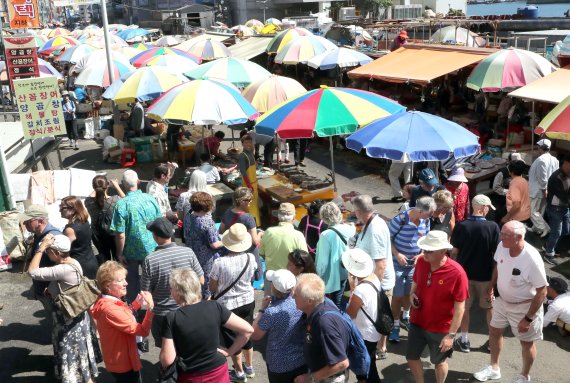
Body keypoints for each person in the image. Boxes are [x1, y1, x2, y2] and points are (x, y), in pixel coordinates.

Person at [473, 221, 547, 383]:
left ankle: (524, 376)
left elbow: (542, 291)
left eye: (505, 235)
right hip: (502, 301)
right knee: (494, 331)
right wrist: (491, 286)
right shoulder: (503, 246)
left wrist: (528, 318)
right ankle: (494, 368)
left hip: (524, 307)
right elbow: (498, 266)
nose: (500, 237)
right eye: (501, 233)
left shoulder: (531, 259)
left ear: (519, 237)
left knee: (526, 342)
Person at [28, 234, 101, 383]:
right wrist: (52, 288)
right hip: (78, 317)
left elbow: (32, 271)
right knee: (82, 359)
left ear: (56, 252)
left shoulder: (63, 269)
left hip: (67, 321)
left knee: (76, 361)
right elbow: (65, 284)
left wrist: (41, 248)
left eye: (49, 251)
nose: (47, 254)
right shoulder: (73, 262)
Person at [159, 268, 254, 383]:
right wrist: (230, 351)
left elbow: (167, 360)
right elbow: (248, 330)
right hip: (218, 371)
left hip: (191, 375)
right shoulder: (214, 306)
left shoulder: (172, 318)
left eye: (171, 289)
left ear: (177, 293)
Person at [408, 230, 469, 383]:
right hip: (418, 321)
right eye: (424, 249)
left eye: (430, 250)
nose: (425, 253)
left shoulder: (457, 273)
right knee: (411, 357)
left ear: (443, 251)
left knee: (439, 362)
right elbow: (415, 283)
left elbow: (460, 308)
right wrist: (411, 295)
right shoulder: (421, 262)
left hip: (441, 328)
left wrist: (451, 335)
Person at [141, 217, 204, 347]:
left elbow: (145, 293)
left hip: (161, 314)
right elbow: (201, 280)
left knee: (167, 348)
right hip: (187, 309)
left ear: (155, 237)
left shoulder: (149, 260)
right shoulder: (188, 252)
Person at [450, 195, 500, 353]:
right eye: (487, 207)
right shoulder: (493, 227)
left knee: (464, 308)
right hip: (486, 276)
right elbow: (497, 256)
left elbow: (454, 252)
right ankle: (492, 342)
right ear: (481, 207)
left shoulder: (461, 225)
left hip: (464, 276)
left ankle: (464, 340)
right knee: (489, 307)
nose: (487, 210)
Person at [91, 261, 155, 383]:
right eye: (120, 280)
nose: (126, 283)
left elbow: (122, 314)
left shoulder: (106, 300)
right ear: (107, 285)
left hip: (117, 358)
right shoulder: (110, 309)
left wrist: (136, 304)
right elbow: (142, 331)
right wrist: (151, 308)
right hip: (124, 363)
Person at [209, 223, 258, 382]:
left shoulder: (219, 263)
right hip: (248, 301)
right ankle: (249, 367)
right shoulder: (250, 257)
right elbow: (251, 277)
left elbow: (213, 286)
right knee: (246, 334)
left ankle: (239, 372)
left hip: (227, 306)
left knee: (232, 339)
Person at [388, 196, 436, 343]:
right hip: (397, 264)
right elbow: (387, 239)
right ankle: (395, 325)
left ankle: (406, 316)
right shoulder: (399, 220)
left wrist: (421, 254)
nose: (431, 217)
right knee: (397, 295)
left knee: (410, 293)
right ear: (420, 211)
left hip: (414, 265)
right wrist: (397, 254)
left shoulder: (425, 220)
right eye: (430, 214)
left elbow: (425, 241)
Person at [109, 169, 162, 301]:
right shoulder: (150, 199)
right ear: (138, 181)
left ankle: (135, 309)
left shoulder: (121, 205)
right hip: (151, 248)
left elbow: (120, 234)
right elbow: (159, 223)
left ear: (123, 184)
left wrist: (119, 254)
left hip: (130, 252)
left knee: (132, 282)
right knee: (152, 280)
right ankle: (153, 305)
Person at [252, 269, 308, 383]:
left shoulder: (271, 312)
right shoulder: (302, 302)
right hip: (301, 360)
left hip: (278, 364)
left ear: (274, 287)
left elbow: (255, 335)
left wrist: (262, 309)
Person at [293, 273, 351, 383]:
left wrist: (310, 378)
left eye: (296, 295)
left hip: (329, 378)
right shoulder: (320, 306)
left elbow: (342, 363)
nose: (292, 297)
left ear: (309, 301)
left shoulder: (324, 323)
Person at [343, 248, 382, 383]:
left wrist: (353, 289)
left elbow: (350, 315)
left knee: (367, 367)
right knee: (369, 363)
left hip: (365, 334)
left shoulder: (360, 290)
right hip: (374, 330)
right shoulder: (374, 278)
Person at [20, 204, 62, 325]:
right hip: (43, 287)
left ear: (40, 221)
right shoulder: (39, 235)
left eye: (28, 221)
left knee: (58, 321)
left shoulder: (54, 237)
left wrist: (51, 287)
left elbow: (61, 264)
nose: (25, 224)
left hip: (50, 289)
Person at [315, 202, 356, 309]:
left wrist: (318, 277)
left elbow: (322, 263)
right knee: (341, 297)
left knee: (334, 304)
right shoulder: (350, 228)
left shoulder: (326, 235)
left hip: (333, 274)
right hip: (346, 270)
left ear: (323, 217)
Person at [260, 203, 308, 292]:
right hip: (290, 279)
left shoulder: (268, 232)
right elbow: (304, 259)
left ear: (278, 217)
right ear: (293, 218)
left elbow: (262, 253)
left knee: (268, 303)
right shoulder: (298, 235)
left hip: (271, 277)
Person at [184, 191, 223, 299]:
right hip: (205, 258)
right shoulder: (207, 222)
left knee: (194, 280)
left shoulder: (188, 216)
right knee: (206, 283)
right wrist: (226, 241)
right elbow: (214, 244)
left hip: (191, 253)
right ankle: (206, 303)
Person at [84, 175, 125, 262]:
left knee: (104, 257)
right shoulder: (115, 200)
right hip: (113, 234)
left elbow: (90, 196)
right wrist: (116, 186)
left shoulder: (88, 202)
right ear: (107, 186)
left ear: (93, 187)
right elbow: (127, 200)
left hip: (98, 234)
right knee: (117, 257)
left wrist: (96, 188)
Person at [60, 196, 99, 279]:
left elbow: (63, 250)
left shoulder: (70, 229)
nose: (60, 210)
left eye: (62, 208)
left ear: (73, 210)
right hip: (91, 261)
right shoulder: (84, 222)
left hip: (80, 266)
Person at [528, 139, 558, 237]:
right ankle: (536, 228)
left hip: (539, 189)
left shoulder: (541, 160)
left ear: (541, 148)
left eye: (538, 147)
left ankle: (544, 228)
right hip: (547, 189)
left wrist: (544, 189)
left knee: (532, 212)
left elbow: (542, 177)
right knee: (540, 211)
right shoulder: (555, 160)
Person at [543, 156, 570, 265]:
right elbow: (564, 196)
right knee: (556, 232)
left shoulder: (568, 174)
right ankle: (549, 254)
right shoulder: (556, 178)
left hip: (565, 208)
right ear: (567, 163)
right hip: (555, 209)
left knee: (566, 230)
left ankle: (549, 245)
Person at [219, 187, 261, 255]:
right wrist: (260, 234)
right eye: (249, 199)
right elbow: (255, 241)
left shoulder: (228, 211)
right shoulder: (248, 218)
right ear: (242, 201)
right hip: (247, 252)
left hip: (231, 249)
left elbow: (221, 230)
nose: (251, 201)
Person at [490, 152, 523, 224]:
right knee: (500, 217)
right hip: (502, 200)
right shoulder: (501, 173)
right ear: (510, 162)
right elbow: (495, 188)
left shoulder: (518, 170)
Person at [239, 134, 261, 225]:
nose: (248, 144)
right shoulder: (242, 155)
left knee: (254, 205)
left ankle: (257, 223)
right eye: (246, 142)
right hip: (249, 185)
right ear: (242, 144)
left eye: (250, 142)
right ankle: (251, 224)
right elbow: (243, 172)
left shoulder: (251, 154)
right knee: (249, 206)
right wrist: (249, 186)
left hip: (254, 184)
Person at [501, 160, 531, 226]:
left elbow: (517, 205)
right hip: (526, 213)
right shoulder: (524, 180)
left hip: (517, 217)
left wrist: (506, 217)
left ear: (511, 172)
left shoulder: (514, 184)